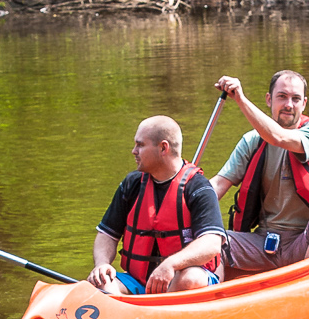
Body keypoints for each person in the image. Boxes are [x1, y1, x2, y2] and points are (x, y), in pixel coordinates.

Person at [211, 70, 309, 275]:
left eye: (295, 99)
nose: (289, 104)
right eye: (282, 97)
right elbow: (218, 184)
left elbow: (278, 137)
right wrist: (184, 203)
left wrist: (241, 99)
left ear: (304, 104)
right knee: (209, 241)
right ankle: (212, 298)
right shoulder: (252, 141)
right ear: (269, 100)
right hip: (263, 241)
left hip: (304, 240)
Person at [89, 116, 225, 294]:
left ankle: (163, 315)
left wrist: (170, 264)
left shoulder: (198, 187)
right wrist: (102, 264)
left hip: (182, 280)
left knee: (190, 278)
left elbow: (211, 244)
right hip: (138, 281)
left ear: (163, 148)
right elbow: (107, 234)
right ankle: (137, 314)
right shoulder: (132, 184)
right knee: (102, 284)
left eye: (140, 145)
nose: (134, 151)